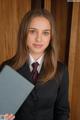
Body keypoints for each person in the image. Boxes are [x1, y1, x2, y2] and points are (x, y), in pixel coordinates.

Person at [0, 9, 69, 120]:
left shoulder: (61, 70)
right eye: (32, 31)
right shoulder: (8, 67)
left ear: (51, 37)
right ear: (24, 33)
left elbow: (62, 111)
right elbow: (1, 110)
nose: (39, 38)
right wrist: (2, 118)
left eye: (45, 33)